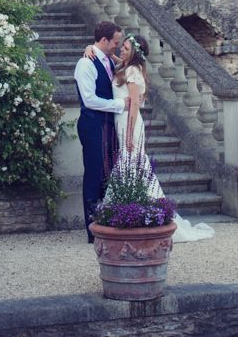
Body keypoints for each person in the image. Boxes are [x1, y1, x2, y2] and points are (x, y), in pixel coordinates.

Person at [86, 35, 215, 243]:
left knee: (132, 166)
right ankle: (131, 212)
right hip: (120, 122)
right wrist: (90, 47)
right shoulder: (126, 66)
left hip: (130, 123)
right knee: (129, 167)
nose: (121, 50)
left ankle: (139, 213)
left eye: (126, 48)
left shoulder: (133, 71)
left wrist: (129, 135)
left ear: (134, 52)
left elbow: (135, 106)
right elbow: (108, 54)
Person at [74, 21, 126, 243]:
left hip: (108, 125)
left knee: (108, 175)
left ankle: (106, 225)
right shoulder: (85, 64)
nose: (117, 45)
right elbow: (90, 100)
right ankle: (92, 232)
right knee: (94, 176)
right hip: (93, 125)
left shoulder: (107, 60)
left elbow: (129, 63)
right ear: (104, 40)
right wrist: (120, 104)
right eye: (115, 42)